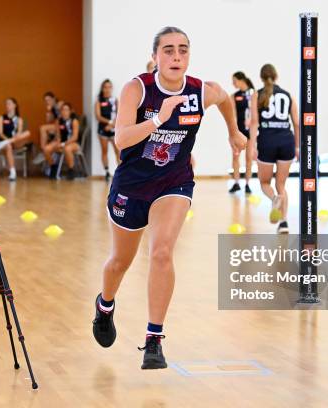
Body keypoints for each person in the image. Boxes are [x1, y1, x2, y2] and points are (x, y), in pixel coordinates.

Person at [91, 27, 246, 369]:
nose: (177, 57)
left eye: (183, 50)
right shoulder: (137, 89)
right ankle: (105, 305)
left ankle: (153, 340)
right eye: (169, 50)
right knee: (120, 262)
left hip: (173, 182)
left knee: (161, 252)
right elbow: (121, 139)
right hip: (132, 185)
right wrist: (160, 117)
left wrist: (234, 131)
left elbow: (224, 98)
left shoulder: (199, 91)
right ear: (156, 57)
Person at [249, 64, 299, 234]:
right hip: (287, 141)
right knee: (281, 184)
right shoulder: (288, 95)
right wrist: (298, 147)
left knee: (264, 183)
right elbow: (297, 124)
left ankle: (274, 199)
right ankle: (283, 223)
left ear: (261, 78)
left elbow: (254, 123)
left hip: (267, 142)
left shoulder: (257, 95)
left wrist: (252, 146)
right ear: (276, 76)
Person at [229, 71, 254, 194]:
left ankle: (248, 184)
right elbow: (232, 116)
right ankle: (236, 183)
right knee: (236, 157)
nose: (233, 84)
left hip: (251, 132)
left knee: (249, 158)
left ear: (241, 80)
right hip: (239, 132)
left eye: (234, 81)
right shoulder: (234, 96)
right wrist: (233, 133)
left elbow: (257, 114)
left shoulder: (254, 94)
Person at [0, 98, 32, 181]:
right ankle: (13, 173)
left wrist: (12, 139)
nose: (7, 105)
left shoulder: (19, 119)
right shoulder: (1, 118)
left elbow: (19, 133)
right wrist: (7, 140)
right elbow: (0, 133)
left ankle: (8, 142)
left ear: (15, 105)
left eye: (9, 103)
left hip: (14, 141)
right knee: (8, 146)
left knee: (28, 133)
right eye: (6, 104)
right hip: (3, 142)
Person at [42, 102, 80, 180]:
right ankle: (53, 166)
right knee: (46, 149)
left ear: (70, 111)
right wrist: (58, 142)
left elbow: (75, 137)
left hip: (72, 143)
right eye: (62, 110)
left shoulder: (74, 121)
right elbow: (58, 135)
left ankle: (71, 170)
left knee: (67, 148)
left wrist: (64, 143)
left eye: (66, 110)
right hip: (62, 142)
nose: (64, 112)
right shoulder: (58, 121)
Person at [95, 79, 119, 180]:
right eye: (105, 87)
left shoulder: (115, 100)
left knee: (118, 151)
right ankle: (107, 172)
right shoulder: (99, 100)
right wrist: (108, 123)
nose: (107, 89)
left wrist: (113, 124)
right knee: (104, 150)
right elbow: (98, 116)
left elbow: (120, 114)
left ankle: (120, 173)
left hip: (114, 129)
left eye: (109, 87)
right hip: (103, 129)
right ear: (102, 88)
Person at [34, 91, 62, 165]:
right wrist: (49, 111)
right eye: (46, 101)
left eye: (49, 100)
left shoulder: (60, 104)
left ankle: (43, 151)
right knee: (42, 128)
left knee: (43, 128)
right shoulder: (51, 108)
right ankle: (44, 149)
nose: (47, 102)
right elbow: (49, 120)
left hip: (63, 126)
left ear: (54, 98)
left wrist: (52, 108)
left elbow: (61, 118)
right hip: (57, 126)